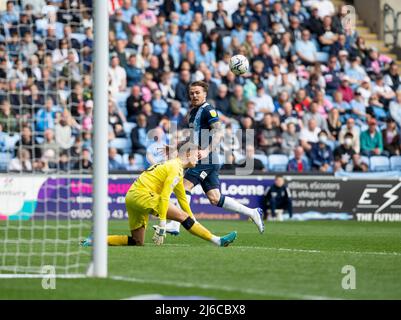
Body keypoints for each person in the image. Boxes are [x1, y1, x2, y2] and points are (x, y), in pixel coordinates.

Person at [81, 141, 237, 247]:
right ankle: (217, 240)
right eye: (196, 154)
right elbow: (164, 197)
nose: (199, 158)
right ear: (187, 154)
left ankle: (95, 240)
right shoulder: (175, 168)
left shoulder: (175, 167)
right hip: (143, 195)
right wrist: (162, 224)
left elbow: (182, 199)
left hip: (132, 196)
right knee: (183, 217)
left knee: (137, 242)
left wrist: (194, 221)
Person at [164, 81, 264, 235]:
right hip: (206, 158)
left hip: (206, 158)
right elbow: (193, 139)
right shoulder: (192, 113)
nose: (194, 95)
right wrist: (176, 146)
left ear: (205, 94)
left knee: (184, 187)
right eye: (192, 93)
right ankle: (252, 213)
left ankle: (176, 225)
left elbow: (219, 132)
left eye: (197, 92)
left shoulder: (208, 110)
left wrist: (206, 151)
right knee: (215, 198)